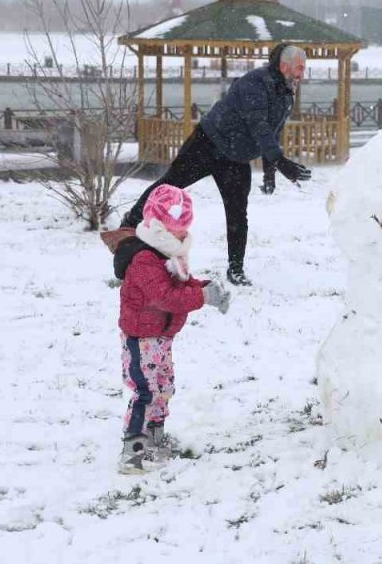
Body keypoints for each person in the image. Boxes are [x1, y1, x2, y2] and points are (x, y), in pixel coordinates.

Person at [109, 42, 313, 286]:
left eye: (304, 69)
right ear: (283, 66)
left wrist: (271, 171)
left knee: (238, 214)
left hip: (235, 159)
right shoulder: (255, 83)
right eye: (299, 68)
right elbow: (258, 124)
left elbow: (273, 131)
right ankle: (130, 221)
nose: (302, 74)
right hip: (207, 144)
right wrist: (280, 161)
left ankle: (235, 269)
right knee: (169, 186)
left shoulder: (286, 95)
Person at [115, 185, 231, 474]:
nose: (181, 236)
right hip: (142, 339)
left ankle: (155, 437)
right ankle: (134, 450)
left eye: (183, 230)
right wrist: (201, 298)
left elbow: (182, 284)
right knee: (146, 391)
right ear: (157, 227)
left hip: (161, 337)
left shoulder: (168, 252)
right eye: (174, 230)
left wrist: (205, 288)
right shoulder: (144, 259)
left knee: (163, 387)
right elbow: (166, 297)